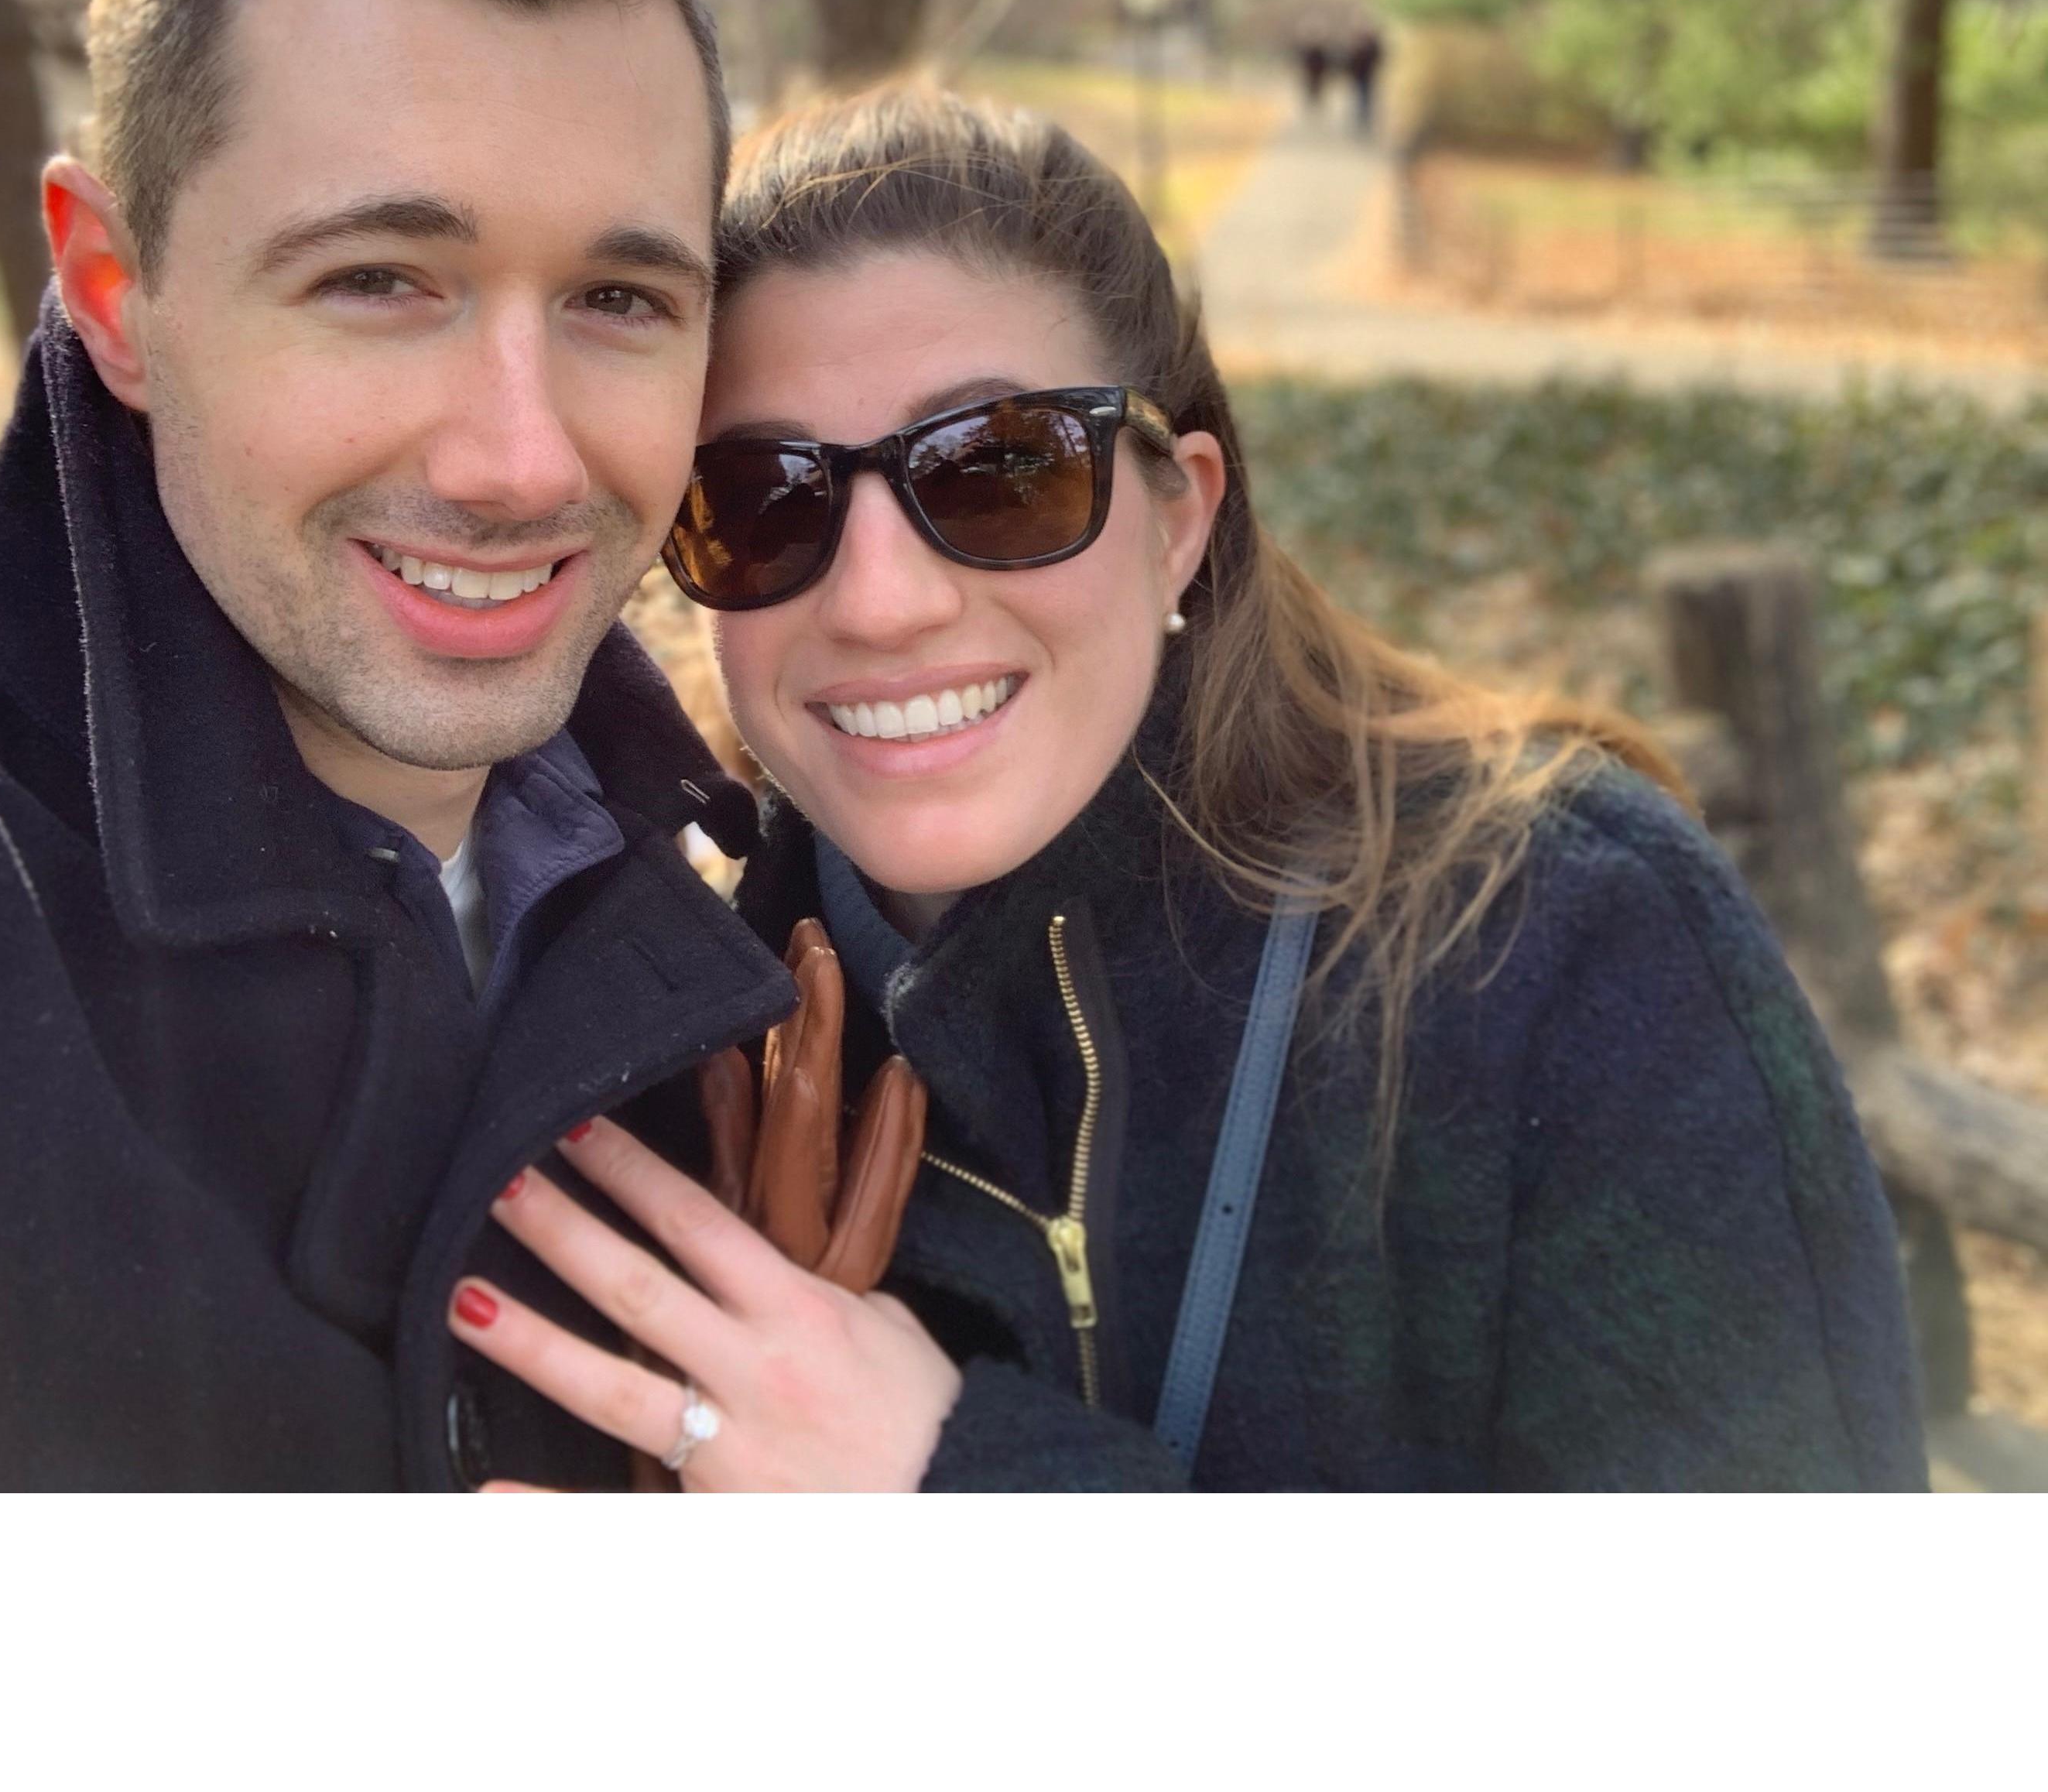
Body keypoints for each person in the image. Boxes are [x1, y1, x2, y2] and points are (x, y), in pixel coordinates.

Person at [444, 86, 1926, 1490]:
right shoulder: (638, 1047)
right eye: (765, 500)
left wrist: (967, 1494)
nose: (882, 602)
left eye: (1000, 474)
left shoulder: (1560, 953)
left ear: (1179, 518)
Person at [0, 0, 799, 1490]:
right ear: (117, 292)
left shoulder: (748, 930)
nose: (519, 456)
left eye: (618, 299)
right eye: (377, 281)